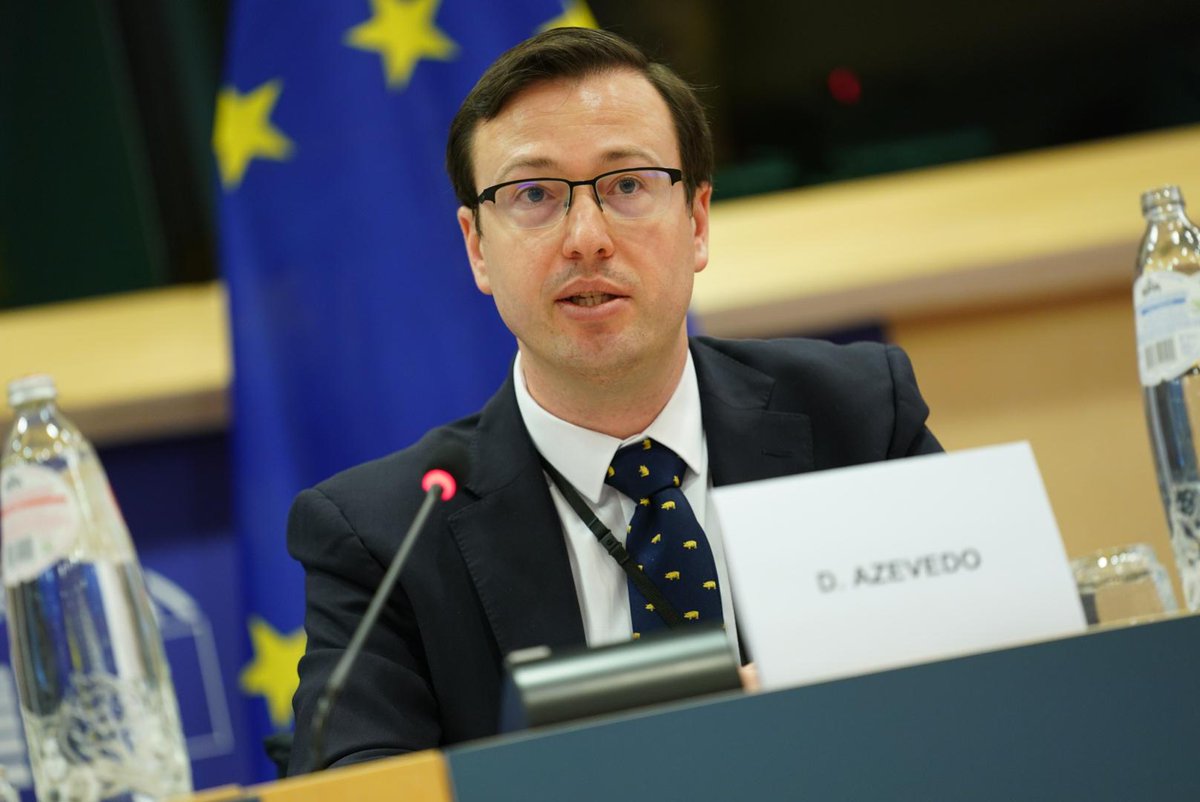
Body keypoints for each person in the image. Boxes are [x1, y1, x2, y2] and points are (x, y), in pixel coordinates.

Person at [286, 27, 940, 775]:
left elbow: (988, 667)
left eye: (627, 185)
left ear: (697, 221)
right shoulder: (384, 537)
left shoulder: (858, 418)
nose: (586, 238)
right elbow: (355, 782)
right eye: (534, 195)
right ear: (477, 248)